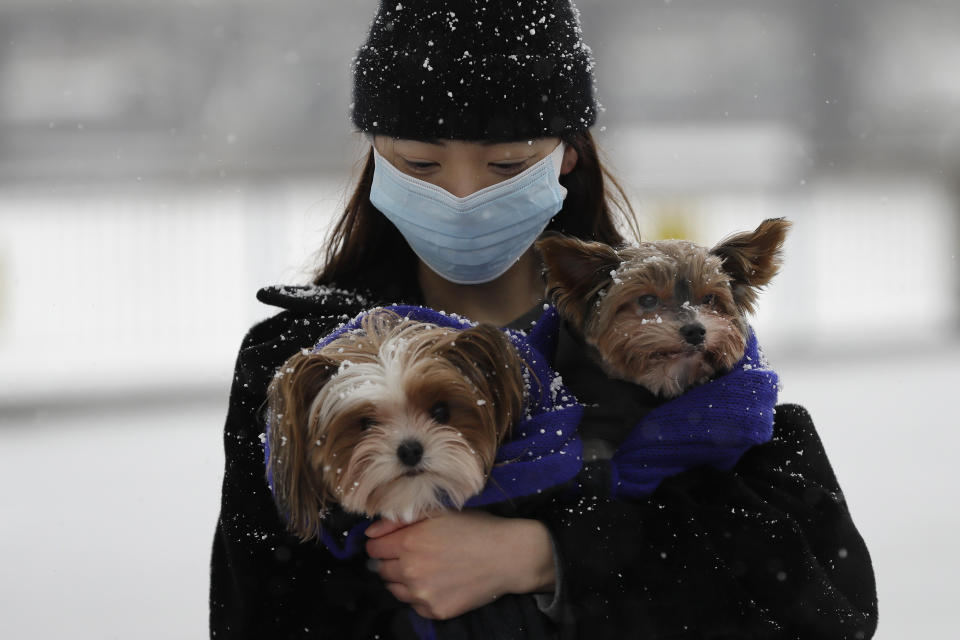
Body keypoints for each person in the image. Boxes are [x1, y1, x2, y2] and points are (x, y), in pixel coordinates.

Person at [209, 1, 878, 638]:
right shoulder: (301, 358)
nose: (463, 193)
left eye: (506, 163)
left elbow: (826, 600)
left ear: (567, 155)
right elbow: (267, 614)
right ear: (376, 159)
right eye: (420, 162)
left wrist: (548, 556)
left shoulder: (670, 342)